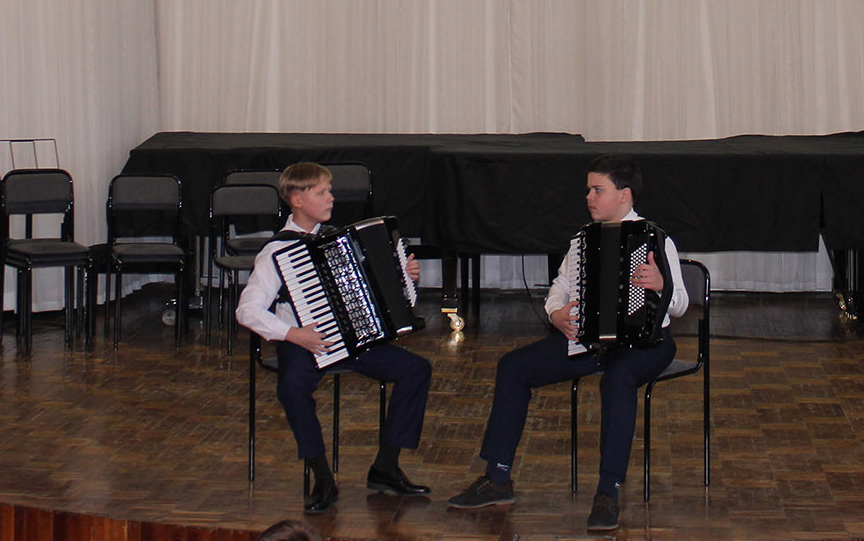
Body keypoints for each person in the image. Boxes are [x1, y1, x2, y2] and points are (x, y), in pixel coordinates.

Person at [447, 154, 688, 532]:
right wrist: (556, 314)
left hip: (646, 343)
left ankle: (608, 491)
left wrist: (662, 285)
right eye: (588, 190)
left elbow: (681, 305)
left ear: (624, 195)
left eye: (597, 190)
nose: (589, 197)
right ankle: (498, 477)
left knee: (618, 380)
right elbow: (560, 286)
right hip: (590, 340)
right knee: (513, 367)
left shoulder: (656, 240)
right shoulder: (583, 239)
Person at [237, 161, 433, 514]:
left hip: (350, 338)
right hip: (303, 342)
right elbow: (247, 310)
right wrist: (293, 334)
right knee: (292, 387)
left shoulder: (340, 240)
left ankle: (386, 467)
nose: (331, 198)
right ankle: (322, 476)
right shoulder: (276, 252)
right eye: (321, 192)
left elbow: (375, 288)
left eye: (330, 191)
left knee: (416, 370)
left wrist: (403, 275)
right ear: (297, 199)